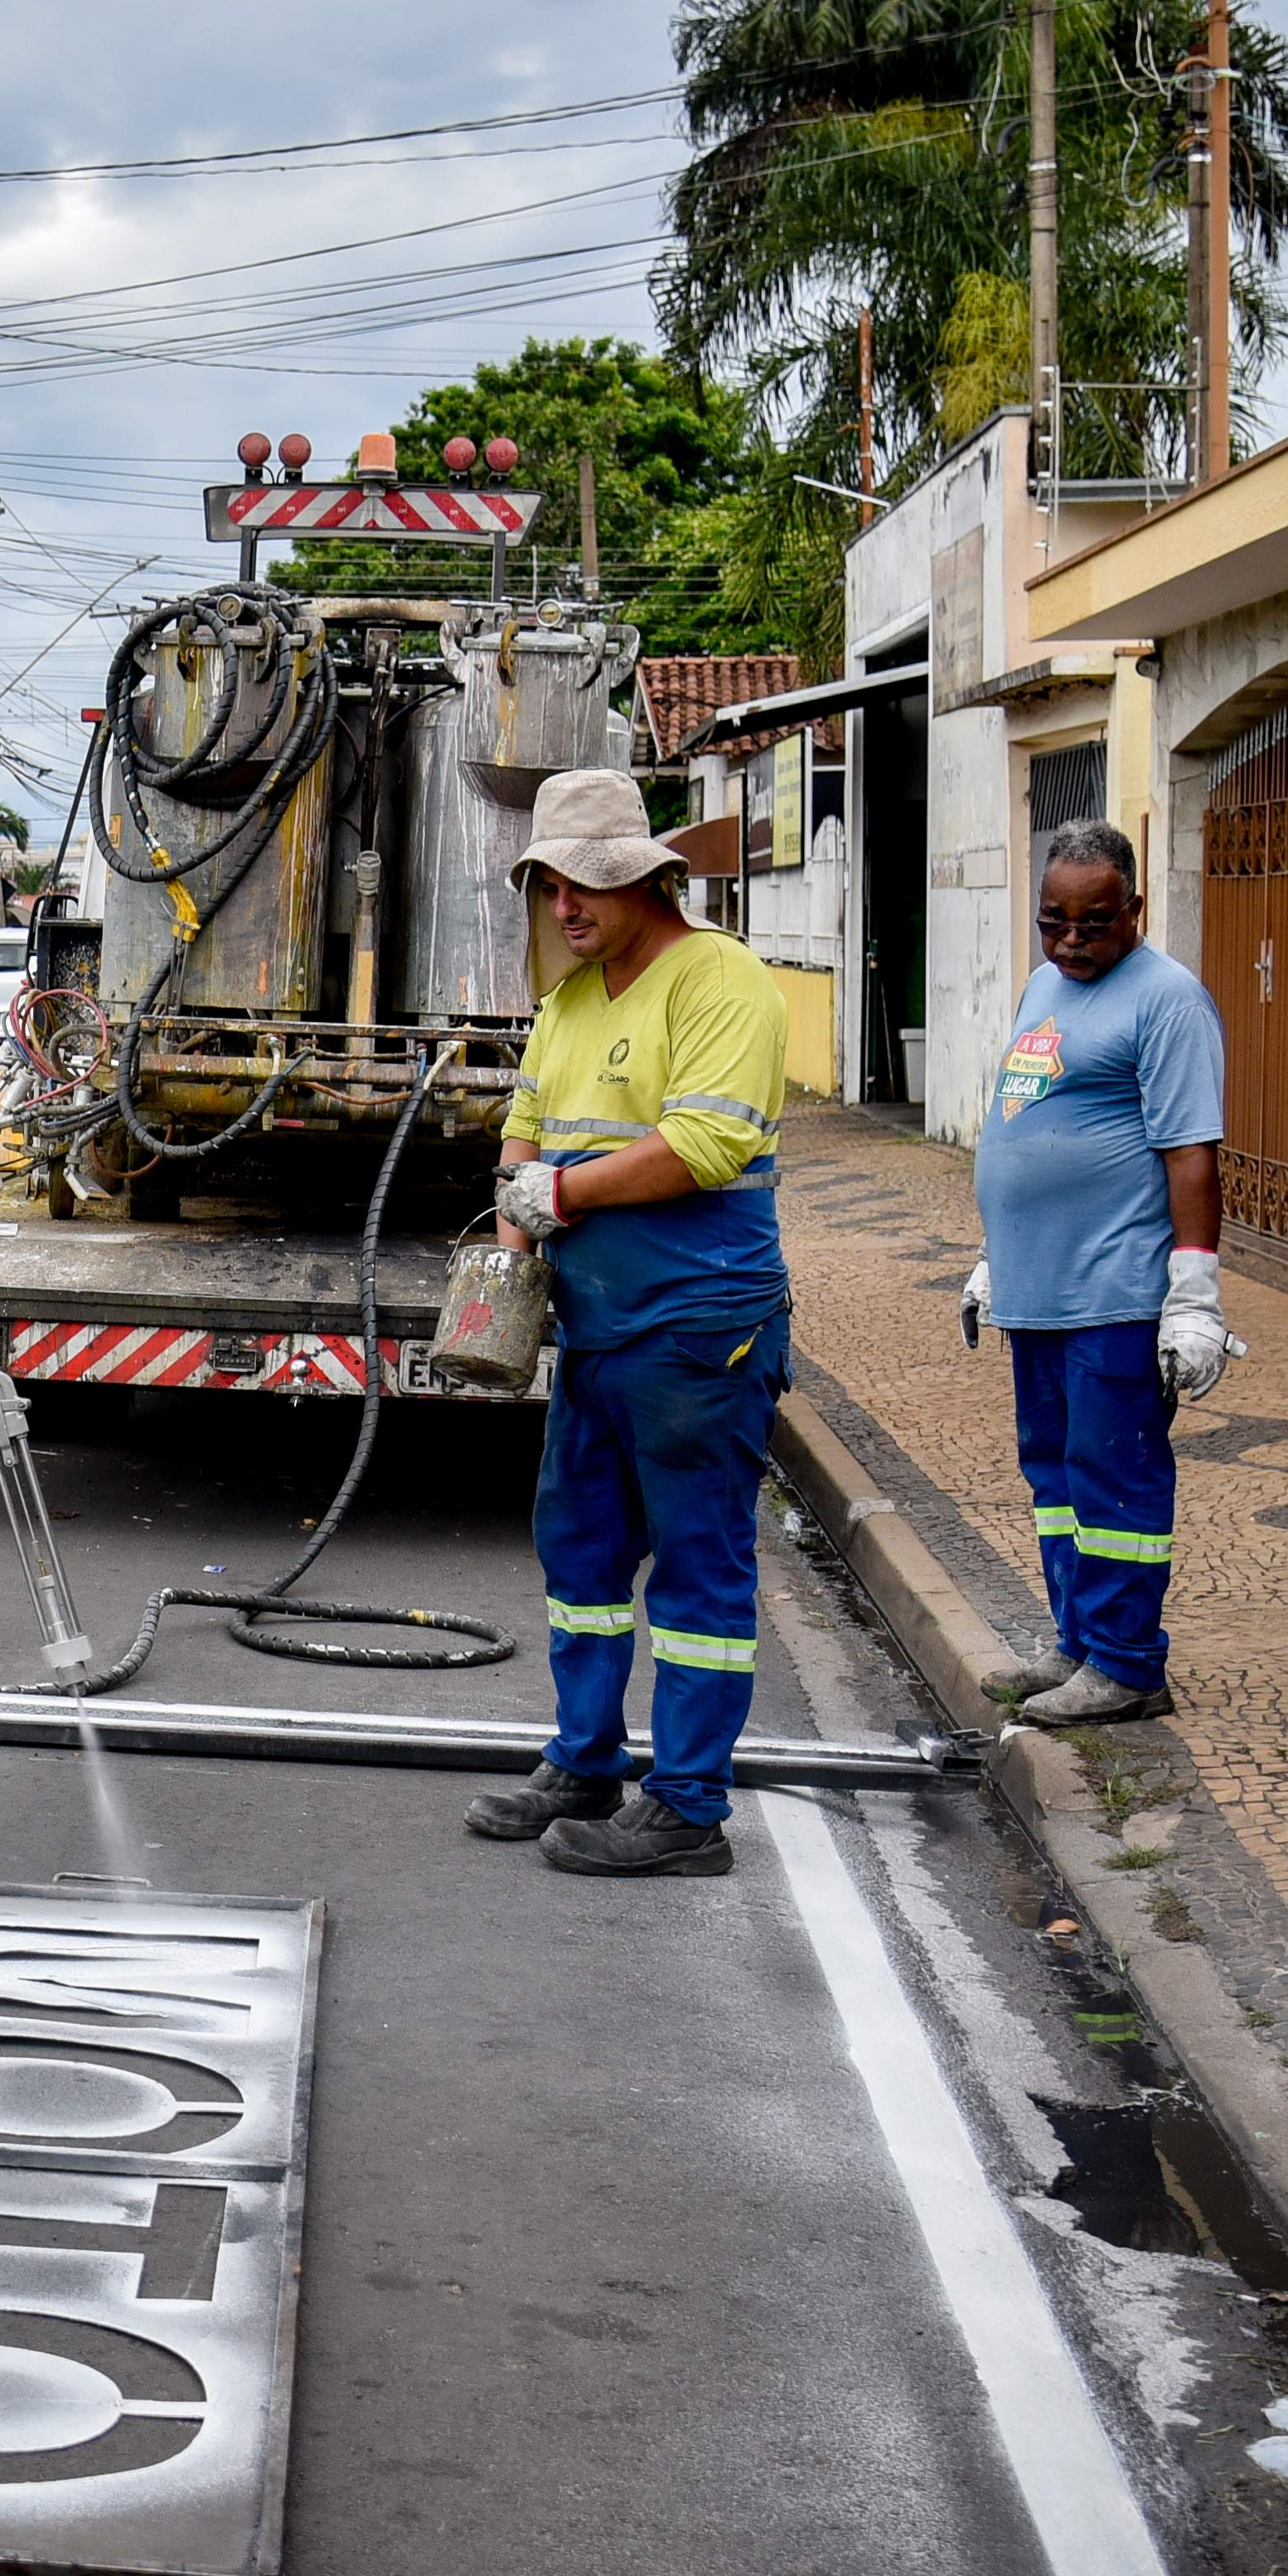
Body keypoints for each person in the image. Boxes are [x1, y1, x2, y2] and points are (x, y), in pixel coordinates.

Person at [460, 770, 794, 1880]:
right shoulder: (571, 999)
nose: (565, 905)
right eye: (550, 884)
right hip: (599, 1328)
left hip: (699, 1327)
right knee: (584, 1553)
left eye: (585, 883)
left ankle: (688, 1807)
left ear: (651, 878)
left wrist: (559, 1196)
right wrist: (508, 1270)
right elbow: (523, 1131)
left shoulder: (722, 981)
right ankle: (585, 1759)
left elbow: (704, 1144)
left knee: (698, 1567)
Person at [962, 821, 1233, 1729]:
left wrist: (1192, 1296)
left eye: (1094, 921)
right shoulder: (1043, 986)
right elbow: (1022, 1121)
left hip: (1113, 1291)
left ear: (1135, 911)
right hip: (1036, 1291)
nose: (1071, 940)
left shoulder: (1168, 1001)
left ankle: (1126, 1664)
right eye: (1053, 921)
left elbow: (1191, 1153)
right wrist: (994, 1255)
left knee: (1114, 1480)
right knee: (1054, 1475)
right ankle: (1077, 1641)